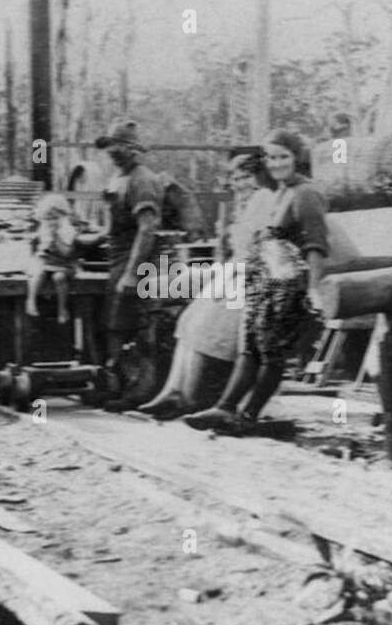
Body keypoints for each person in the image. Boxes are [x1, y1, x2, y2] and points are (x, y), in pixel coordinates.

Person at [184, 129, 329, 434]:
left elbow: (316, 246)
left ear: (298, 158)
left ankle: (248, 415)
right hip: (263, 283)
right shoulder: (280, 191)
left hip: (288, 286)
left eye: (283, 157)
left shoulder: (306, 194)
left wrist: (314, 289)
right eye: (271, 157)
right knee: (249, 348)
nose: (276, 164)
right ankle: (224, 408)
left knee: (271, 354)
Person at [137, 148, 273, 419]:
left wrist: (229, 273)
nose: (239, 184)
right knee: (189, 318)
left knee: (204, 323)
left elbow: (260, 252)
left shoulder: (266, 200)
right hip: (233, 273)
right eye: (235, 178)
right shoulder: (243, 205)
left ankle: (188, 397)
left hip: (254, 279)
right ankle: (172, 390)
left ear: (259, 175)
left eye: (245, 177)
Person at [96, 118, 165, 411]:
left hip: (137, 264)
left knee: (137, 329)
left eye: (121, 146)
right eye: (111, 145)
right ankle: (116, 386)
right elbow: (112, 227)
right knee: (115, 327)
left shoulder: (142, 180)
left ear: (134, 150)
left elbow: (146, 229)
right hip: (117, 259)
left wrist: (132, 273)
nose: (113, 151)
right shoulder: (117, 179)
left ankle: (139, 392)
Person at [26, 192, 79, 324]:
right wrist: (41, 248)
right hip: (47, 262)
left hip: (64, 263)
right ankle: (31, 301)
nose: (51, 221)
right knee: (38, 272)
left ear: (63, 216)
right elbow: (42, 249)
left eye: (55, 218)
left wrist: (55, 236)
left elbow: (66, 252)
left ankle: (62, 309)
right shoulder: (43, 228)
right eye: (48, 218)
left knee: (59, 278)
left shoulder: (68, 230)